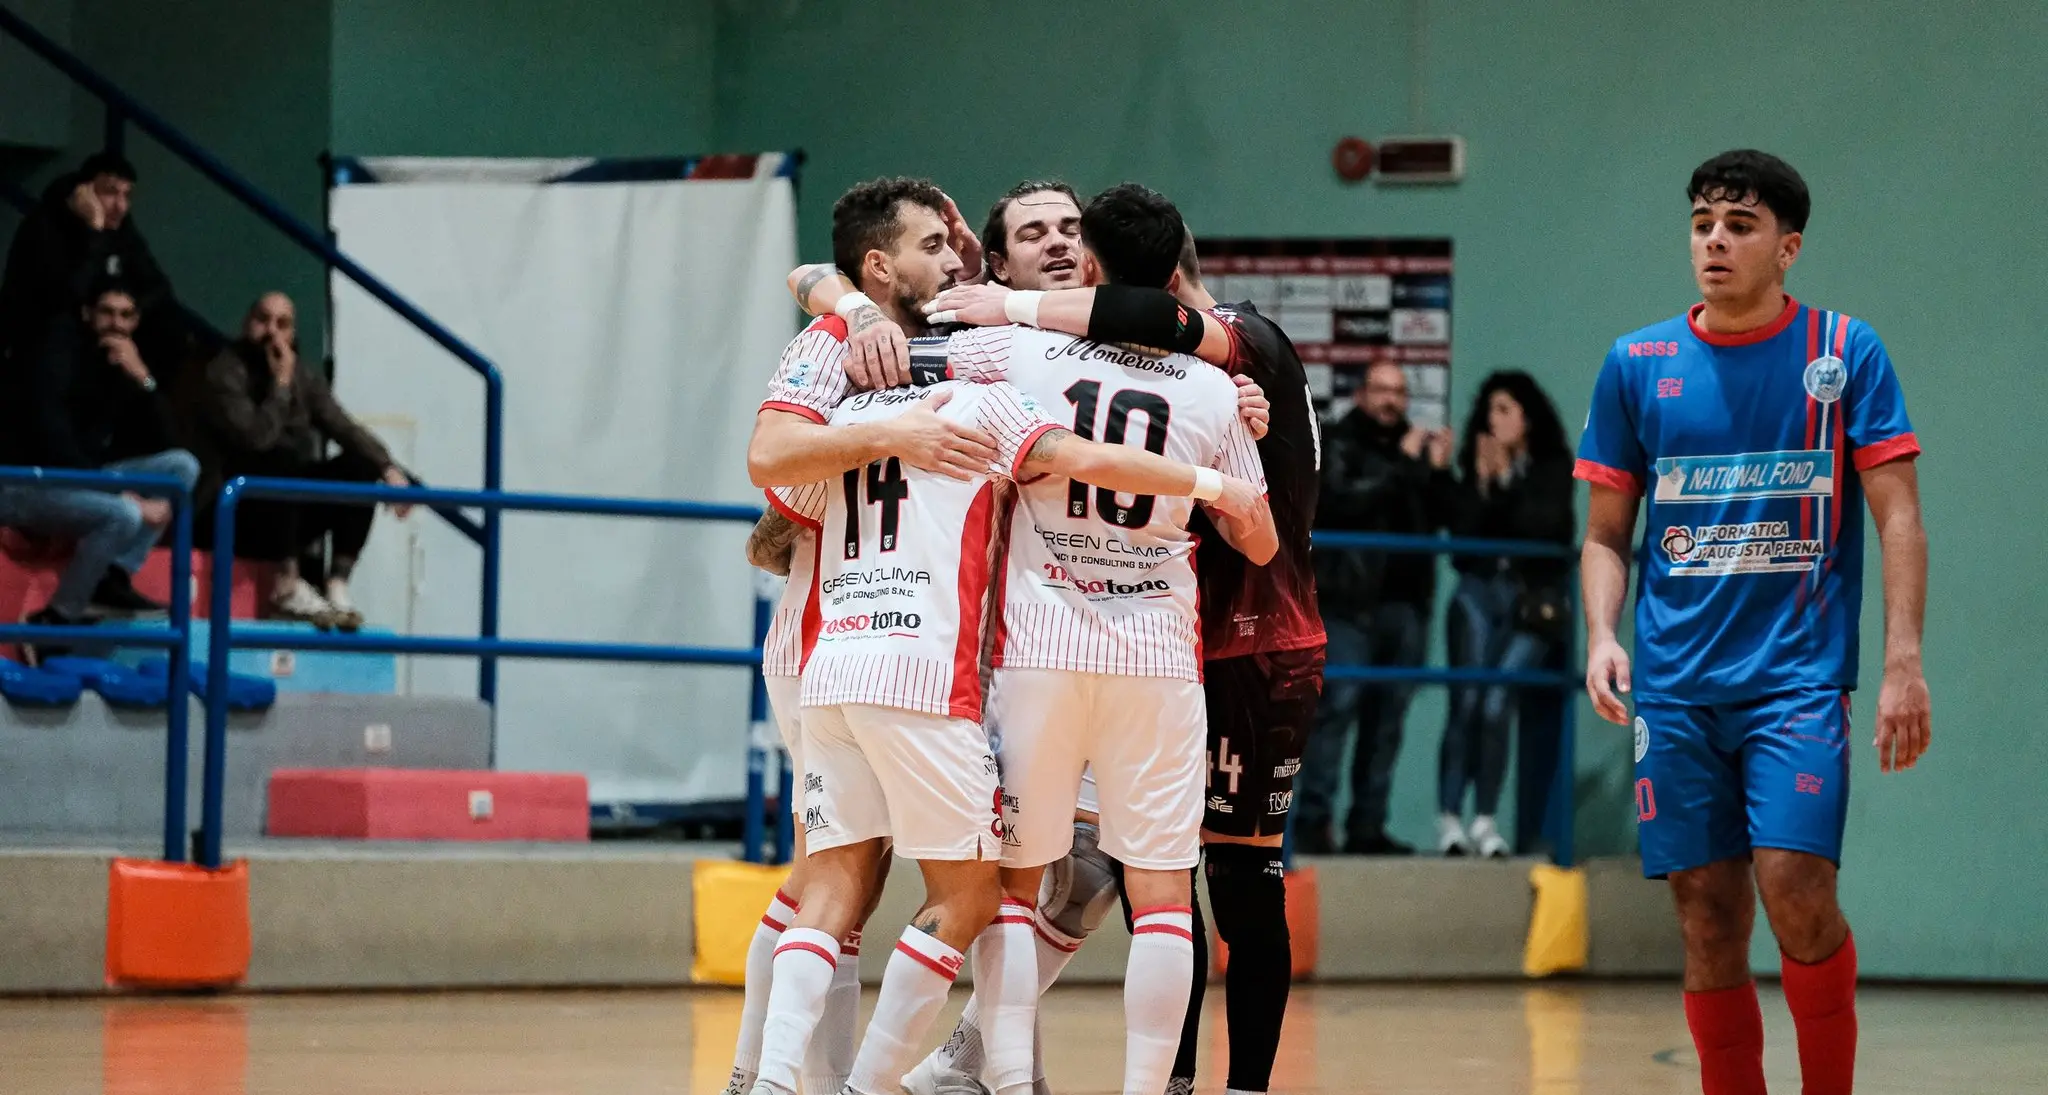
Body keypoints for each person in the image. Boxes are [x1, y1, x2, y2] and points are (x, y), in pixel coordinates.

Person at [741, 177, 1271, 1095]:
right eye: (1033, 233)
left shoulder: (1000, 357)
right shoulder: (973, 352)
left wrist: (1233, 400)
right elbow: (801, 319)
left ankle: (903, 1067)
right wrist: (1216, 469)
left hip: (922, 645)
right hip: (933, 649)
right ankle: (826, 1076)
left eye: (1072, 228)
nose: (1059, 243)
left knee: (1017, 877)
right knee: (900, 881)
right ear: (994, 263)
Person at [916, 229, 1321, 1095]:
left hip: (1041, 652)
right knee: (1167, 892)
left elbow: (912, 349)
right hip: (1161, 657)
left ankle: (1007, 1077)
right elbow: (1257, 535)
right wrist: (1215, 486)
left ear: (1092, 275)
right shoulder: (1217, 386)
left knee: (1017, 887)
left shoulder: (1021, 353)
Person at [1577, 149, 1930, 1095]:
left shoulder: (1843, 352)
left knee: (1795, 885)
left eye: (1739, 224)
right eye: (1703, 224)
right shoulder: (1637, 363)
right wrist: (1603, 636)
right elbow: (1608, 534)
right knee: (1704, 912)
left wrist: (1904, 662)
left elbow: (1897, 511)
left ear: (1788, 248)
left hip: (1798, 678)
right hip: (1678, 686)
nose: (1716, 241)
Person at [1299, 361, 1454, 855]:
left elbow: (1438, 517)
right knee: (1336, 711)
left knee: (1387, 722)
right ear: (1362, 393)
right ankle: (1313, 823)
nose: (1392, 400)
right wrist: (1409, 467)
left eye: (1400, 391)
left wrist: (1438, 472)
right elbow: (1337, 504)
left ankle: (1367, 826)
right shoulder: (1338, 440)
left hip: (1406, 606)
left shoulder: (1413, 446)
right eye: (1383, 390)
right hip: (1348, 604)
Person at [0, 282, 198, 660]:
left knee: (182, 468)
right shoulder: (57, 356)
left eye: (126, 315)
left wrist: (143, 378)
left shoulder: (121, 365)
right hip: (24, 482)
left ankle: (113, 576)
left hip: (82, 478)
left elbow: (171, 441)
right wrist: (119, 493)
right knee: (121, 513)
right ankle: (56, 620)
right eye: (107, 312)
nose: (116, 324)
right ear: (87, 315)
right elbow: (52, 441)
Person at [189, 292, 409, 631]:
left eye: (283, 324)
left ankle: (337, 585)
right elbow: (256, 440)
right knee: (280, 457)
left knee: (358, 468)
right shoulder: (224, 372)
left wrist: (387, 467)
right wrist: (280, 385)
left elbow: (341, 424)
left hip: (287, 513)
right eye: (263, 320)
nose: (272, 333)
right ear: (247, 324)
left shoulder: (303, 376)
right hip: (236, 509)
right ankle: (287, 584)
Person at [1435, 371, 1574, 857]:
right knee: (1466, 702)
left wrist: (1506, 483)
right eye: (1490, 410)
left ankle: (1487, 820)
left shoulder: (1552, 467)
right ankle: (1450, 818)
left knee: (1497, 702)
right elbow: (1463, 540)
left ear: (1527, 418)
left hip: (1529, 603)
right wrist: (1479, 483)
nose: (1494, 421)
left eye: (1505, 410)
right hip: (1478, 592)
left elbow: (1541, 529)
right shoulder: (1477, 462)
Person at [0, 153, 178, 372]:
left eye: (127, 195)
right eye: (111, 193)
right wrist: (94, 230)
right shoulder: (44, 226)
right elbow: (63, 297)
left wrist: (129, 310)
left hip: (101, 331)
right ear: (84, 193)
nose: (121, 206)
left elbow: (159, 285)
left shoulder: (122, 229)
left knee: (170, 325)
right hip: (45, 338)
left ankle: (147, 387)